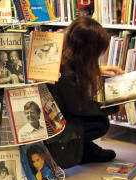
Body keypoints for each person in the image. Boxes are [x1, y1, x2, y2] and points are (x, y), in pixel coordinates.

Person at [46, 16, 124, 167]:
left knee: (98, 119)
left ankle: (83, 147)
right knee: (101, 123)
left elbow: (74, 71)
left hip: (55, 116)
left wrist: (98, 69)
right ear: (87, 50)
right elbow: (80, 107)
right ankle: (83, 151)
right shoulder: (64, 73)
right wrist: (113, 107)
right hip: (56, 125)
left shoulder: (60, 55)